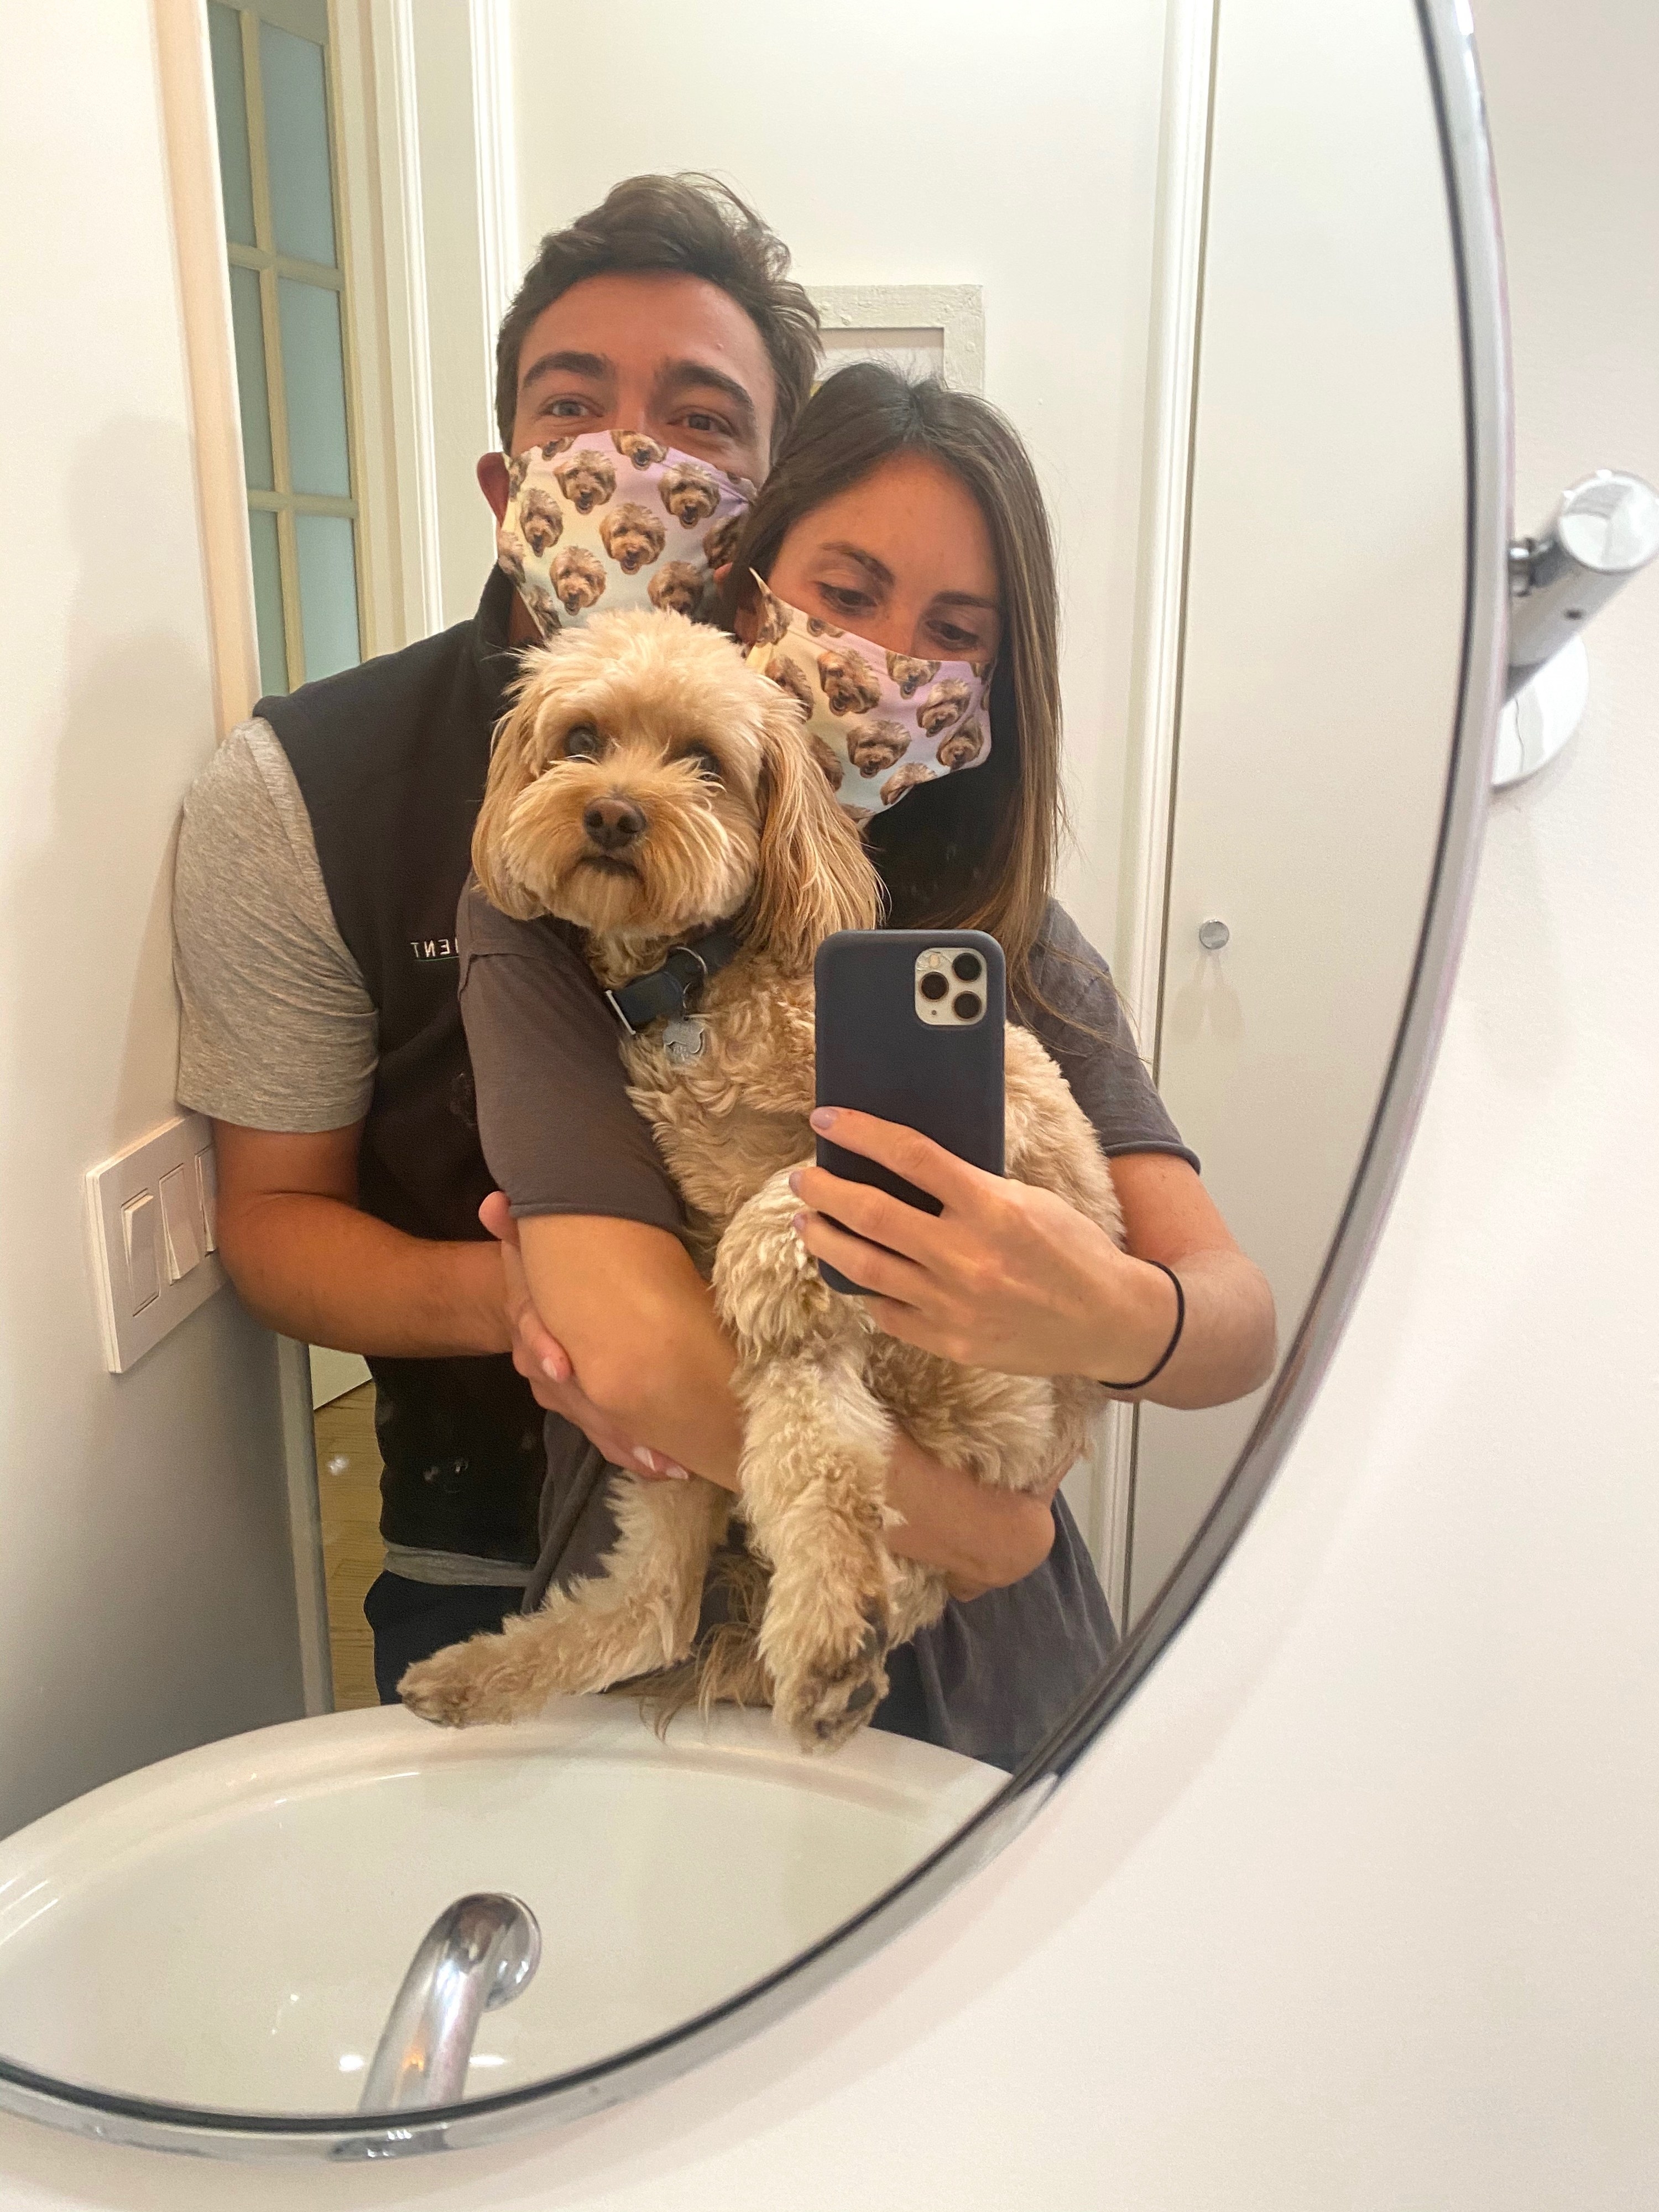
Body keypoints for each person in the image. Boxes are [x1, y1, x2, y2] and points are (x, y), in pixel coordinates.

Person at [453, 365, 1277, 1771]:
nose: (883, 658)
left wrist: (1107, 1313)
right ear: (750, 580)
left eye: (951, 633)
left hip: (990, 1657)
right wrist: (993, 1529)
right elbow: (644, 1363)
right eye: (847, 592)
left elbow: (1234, 1327)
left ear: (986, 690)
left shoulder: (1004, 940)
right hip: (680, 1574)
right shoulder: (559, 907)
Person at [170, 175, 821, 1699]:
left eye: (705, 421)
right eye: (573, 409)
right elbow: (269, 1220)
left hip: (825, 1514)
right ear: (502, 477)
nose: (633, 457)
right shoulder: (306, 789)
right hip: (482, 1546)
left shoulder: (853, 768)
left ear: (775, 492)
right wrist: (536, 1304)